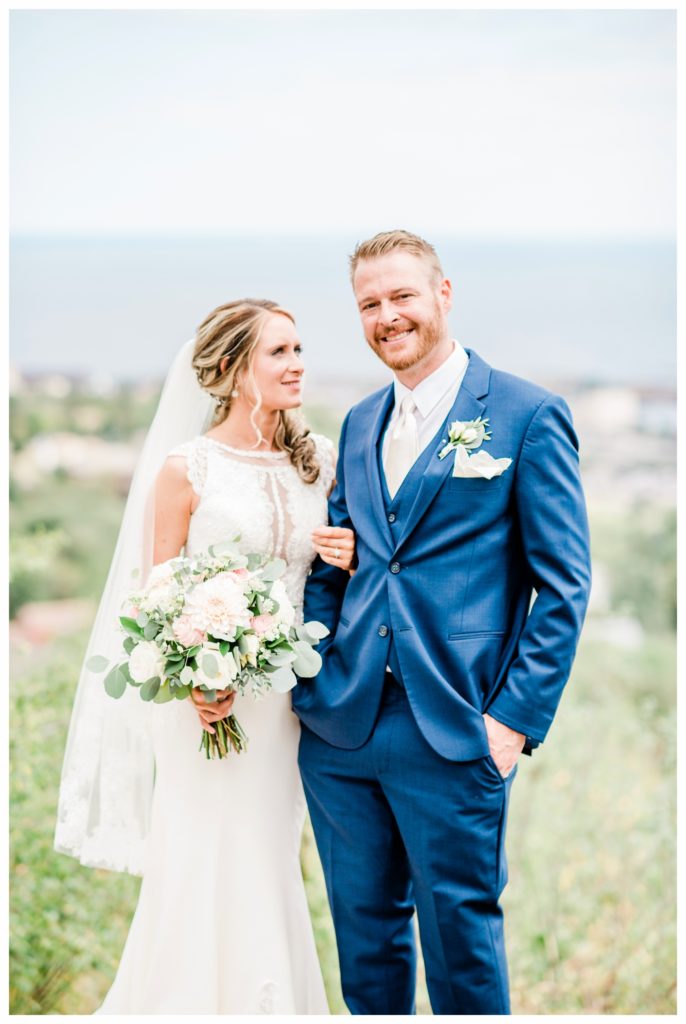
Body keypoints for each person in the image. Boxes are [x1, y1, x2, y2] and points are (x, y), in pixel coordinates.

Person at [294, 230, 592, 1014]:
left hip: (458, 728)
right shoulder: (359, 424)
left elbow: (563, 585)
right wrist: (314, 675)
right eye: (370, 304)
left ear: (443, 294)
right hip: (342, 732)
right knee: (365, 951)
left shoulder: (526, 415)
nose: (387, 316)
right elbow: (337, 564)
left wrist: (512, 725)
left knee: (461, 950)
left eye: (402, 297)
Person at [55, 298, 355, 1014]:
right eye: (278, 352)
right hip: (204, 703)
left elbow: (334, 585)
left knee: (267, 856)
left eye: (298, 348)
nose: (297, 364)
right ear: (231, 370)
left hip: (284, 701)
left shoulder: (320, 463)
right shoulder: (187, 469)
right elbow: (156, 594)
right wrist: (195, 682)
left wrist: (347, 562)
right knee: (199, 855)